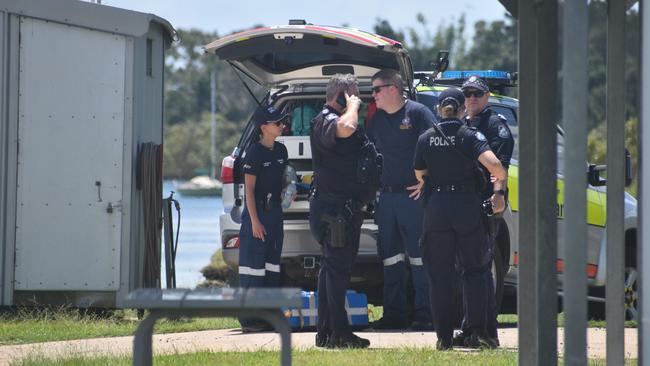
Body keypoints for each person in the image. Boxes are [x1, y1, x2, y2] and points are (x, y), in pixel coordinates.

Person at [412, 87, 506, 350]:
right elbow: (496, 166)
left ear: (438, 109)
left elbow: (420, 173)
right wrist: (499, 187)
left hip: (437, 209)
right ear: (462, 108)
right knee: (475, 271)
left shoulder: (426, 137)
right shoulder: (469, 135)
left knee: (439, 275)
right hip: (467, 206)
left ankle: (443, 337)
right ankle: (477, 332)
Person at [366, 69, 434, 330]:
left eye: (377, 90)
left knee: (419, 257)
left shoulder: (417, 113)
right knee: (390, 258)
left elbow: (438, 144)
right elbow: (368, 153)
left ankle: (425, 315)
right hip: (387, 199)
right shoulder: (377, 119)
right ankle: (394, 315)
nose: (374, 96)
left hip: (412, 199)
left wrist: (427, 181)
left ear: (393, 88)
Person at [309, 73, 371, 349]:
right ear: (342, 95)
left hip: (343, 208)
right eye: (355, 93)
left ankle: (327, 331)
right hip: (334, 211)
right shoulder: (327, 119)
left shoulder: (335, 118)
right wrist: (353, 106)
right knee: (336, 272)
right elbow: (345, 128)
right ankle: (338, 333)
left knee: (333, 270)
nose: (359, 99)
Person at [453, 75, 515, 346]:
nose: (471, 99)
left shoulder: (495, 125)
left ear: (487, 97)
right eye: (467, 94)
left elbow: (500, 165)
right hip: (465, 204)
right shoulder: (463, 124)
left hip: (487, 202)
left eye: (477, 94)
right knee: (468, 269)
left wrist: (498, 194)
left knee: (482, 268)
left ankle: (486, 332)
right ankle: (471, 328)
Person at [238, 104, 289, 332]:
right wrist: (255, 221)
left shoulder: (281, 151)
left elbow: (282, 179)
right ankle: (249, 320)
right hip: (256, 214)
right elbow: (248, 190)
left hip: (275, 213)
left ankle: (268, 316)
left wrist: (290, 188)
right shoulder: (254, 153)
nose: (281, 125)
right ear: (263, 128)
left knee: (271, 266)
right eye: (277, 123)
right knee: (253, 268)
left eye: (281, 122)